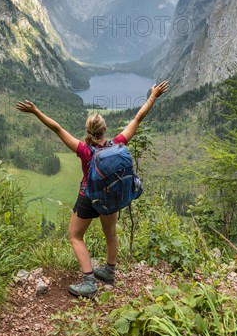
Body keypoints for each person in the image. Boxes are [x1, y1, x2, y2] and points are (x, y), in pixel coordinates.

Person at [16, 81, 169, 298]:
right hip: (111, 197)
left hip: (89, 198)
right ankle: (109, 271)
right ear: (105, 130)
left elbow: (57, 128)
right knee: (111, 234)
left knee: (75, 235)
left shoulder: (84, 150)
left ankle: (89, 281)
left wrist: (35, 111)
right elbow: (138, 118)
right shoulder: (118, 144)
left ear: (88, 131)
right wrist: (153, 95)